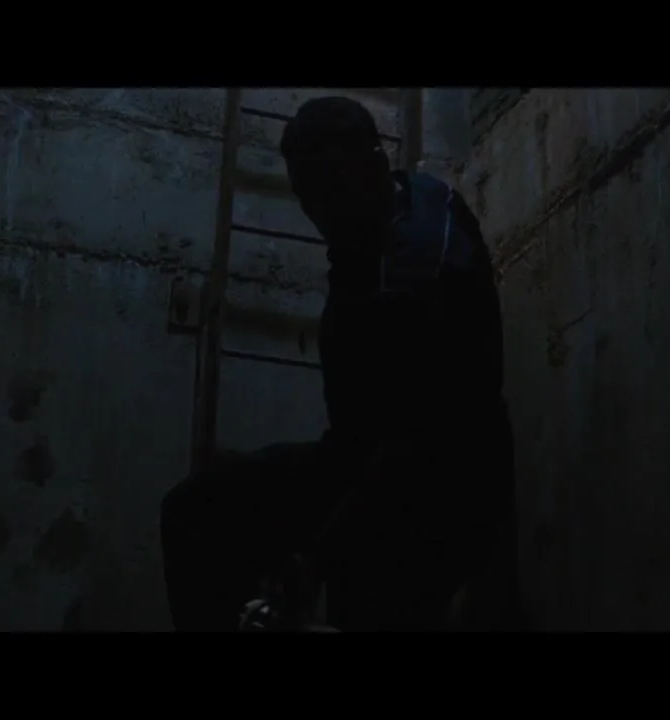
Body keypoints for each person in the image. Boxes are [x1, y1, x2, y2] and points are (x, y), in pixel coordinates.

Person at [160, 96, 517, 631]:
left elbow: (405, 452)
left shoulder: (407, 280)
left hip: (437, 484)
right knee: (201, 509)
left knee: (346, 577)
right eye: (307, 196)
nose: (319, 213)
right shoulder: (417, 196)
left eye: (331, 190)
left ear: (374, 163)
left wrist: (316, 557)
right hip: (379, 457)